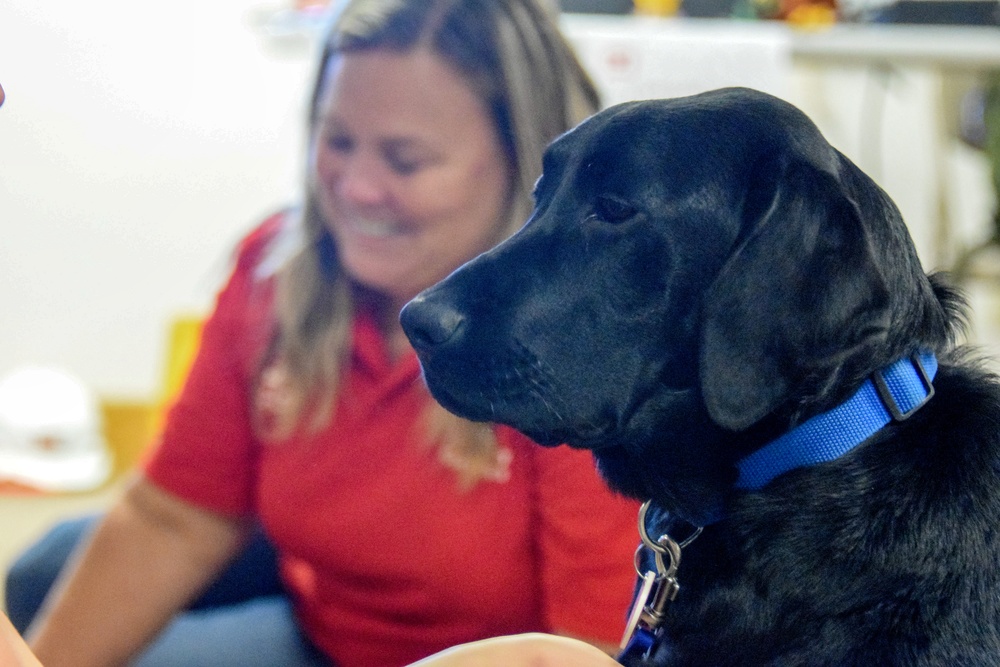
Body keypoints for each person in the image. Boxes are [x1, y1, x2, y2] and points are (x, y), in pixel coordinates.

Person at [6, 1, 641, 666]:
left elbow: (587, 650)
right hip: (322, 620)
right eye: (337, 141)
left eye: (405, 159)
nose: (358, 188)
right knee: (43, 572)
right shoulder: (277, 270)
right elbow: (177, 515)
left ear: (525, 162)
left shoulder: (589, 357)